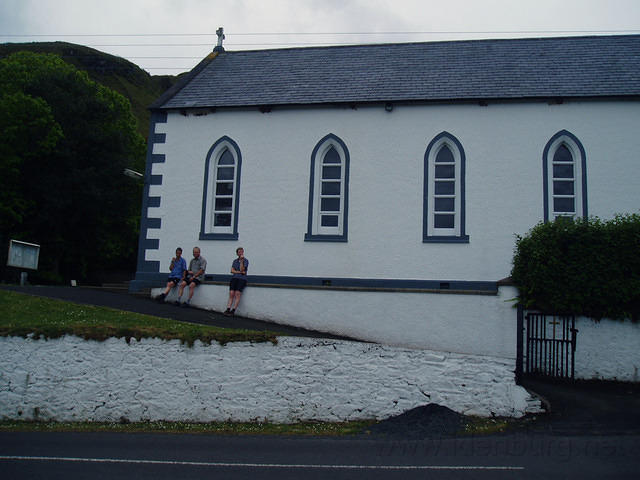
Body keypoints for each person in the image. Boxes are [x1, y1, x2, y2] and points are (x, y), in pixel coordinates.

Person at [224, 247, 248, 316]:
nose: (241, 253)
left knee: (237, 293)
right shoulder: (235, 261)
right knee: (231, 293)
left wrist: (241, 261)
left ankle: (233, 310)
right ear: (237, 253)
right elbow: (232, 271)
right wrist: (239, 272)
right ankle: (228, 308)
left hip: (242, 279)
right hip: (234, 278)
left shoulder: (245, 261)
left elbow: (242, 269)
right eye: (239, 252)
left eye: (242, 251)